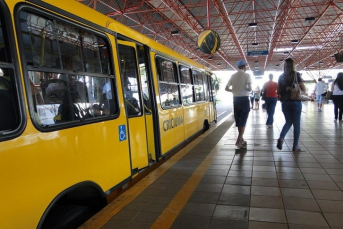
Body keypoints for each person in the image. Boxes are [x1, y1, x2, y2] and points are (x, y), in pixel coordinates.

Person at [276, 58, 306, 152]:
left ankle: (281, 138)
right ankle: (295, 146)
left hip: (285, 102)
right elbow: (303, 88)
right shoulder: (297, 75)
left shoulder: (281, 77)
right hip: (296, 102)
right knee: (296, 124)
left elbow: (278, 91)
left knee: (288, 122)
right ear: (293, 65)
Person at [225, 60, 252, 149]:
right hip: (244, 100)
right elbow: (249, 89)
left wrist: (234, 90)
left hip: (235, 100)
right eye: (246, 66)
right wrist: (246, 89)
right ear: (244, 66)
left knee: (239, 120)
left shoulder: (233, 76)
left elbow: (226, 88)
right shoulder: (247, 75)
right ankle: (239, 139)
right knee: (243, 121)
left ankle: (241, 140)